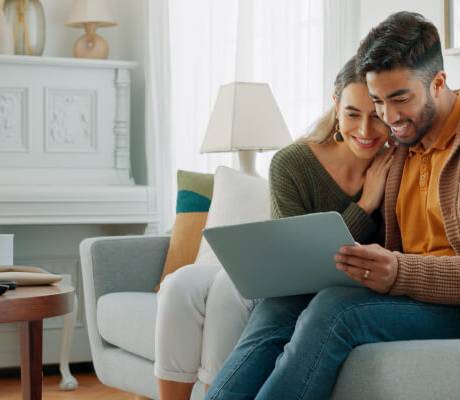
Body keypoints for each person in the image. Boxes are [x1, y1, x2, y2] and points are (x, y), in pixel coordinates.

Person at [204, 11, 460, 400]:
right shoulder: (402, 144)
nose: (388, 117)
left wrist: (400, 272)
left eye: (400, 98)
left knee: (336, 309)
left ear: (438, 83)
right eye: (376, 101)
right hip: (408, 295)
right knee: (280, 303)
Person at [154, 55, 394, 400]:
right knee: (187, 285)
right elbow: (296, 267)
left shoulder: (396, 166)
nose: (366, 130)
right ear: (336, 106)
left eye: (377, 116)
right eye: (353, 113)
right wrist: (365, 205)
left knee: (226, 290)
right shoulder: (293, 163)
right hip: (285, 284)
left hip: (338, 292)